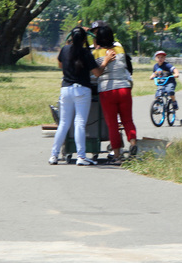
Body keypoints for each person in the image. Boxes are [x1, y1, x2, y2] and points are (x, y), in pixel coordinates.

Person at [50, 26, 112, 166]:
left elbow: (60, 64)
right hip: (82, 90)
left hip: (66, 89)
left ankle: (54, 155)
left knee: (64, 124)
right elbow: (97, 73)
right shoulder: (86, 53)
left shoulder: (65, 50)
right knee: (79, 123)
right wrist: (105, 61)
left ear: (71, 37)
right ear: (85, 39)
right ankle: (81, 156)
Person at [91, 25, 138, 163]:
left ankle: (117, 155)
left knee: (112, 124)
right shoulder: (120, 49)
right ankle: (133, 143)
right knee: (127, 120)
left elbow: (95, 74)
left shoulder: (96, 54)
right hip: (124, 88)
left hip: (107, 91)